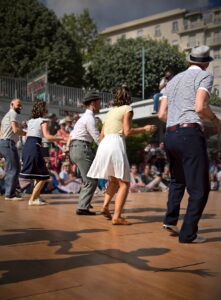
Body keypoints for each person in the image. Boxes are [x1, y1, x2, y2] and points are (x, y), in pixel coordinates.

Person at [158, 45, 221, 243]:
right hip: (189, 134)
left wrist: (177, 122)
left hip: (170, 135)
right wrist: (216, 121)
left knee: (178, 180)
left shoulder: (173, 80)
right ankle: (188, 234)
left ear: (189, 61)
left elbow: (161, 114)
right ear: (206, 63)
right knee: (200, 188)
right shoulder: (204, 76)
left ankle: (170, 220)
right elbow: (200, 107)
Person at [87, 85, 157, 225]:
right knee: (124, 183)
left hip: (104, 143)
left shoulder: (111, 112)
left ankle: (105, 206)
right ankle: (117, 216)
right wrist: (145, 128)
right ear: (128, 98)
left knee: (113, 179)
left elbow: (101, 136)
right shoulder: (128, 109)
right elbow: (127, 131)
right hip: (115, 143)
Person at [19, 101, 63, 206]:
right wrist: (61, 138)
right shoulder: (43, 121)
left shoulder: (30, 121)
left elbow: (27, 134)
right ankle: (33, 199)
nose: (47, 111)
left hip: (27, 147)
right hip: (34, 147)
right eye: (46, 109)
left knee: (37, 174)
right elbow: (47, 136)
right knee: (44, 175)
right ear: (43, 110)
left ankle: (37, 197)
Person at [69, 90, 101, 215]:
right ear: (93, 103)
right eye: (99, 102)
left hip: (76, 148)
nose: (100, 104)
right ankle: (82, 207)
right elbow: (97, 138)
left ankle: (85, 202)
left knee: (87, 178)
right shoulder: (89, 118)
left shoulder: (83, 118)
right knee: (91, 180)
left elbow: (72, 135)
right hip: (82, 148)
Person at [0, 98, 26, 200]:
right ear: (11, 104)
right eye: (18, 105)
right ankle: (9, 194)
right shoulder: (13, 113)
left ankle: (11, 192)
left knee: (13, 168)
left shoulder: (8, 115)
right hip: (7, 144)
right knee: (13, 169)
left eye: (21, 105)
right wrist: (26, 133)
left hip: (4, 143)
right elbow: (15, 130)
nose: (20, 107)